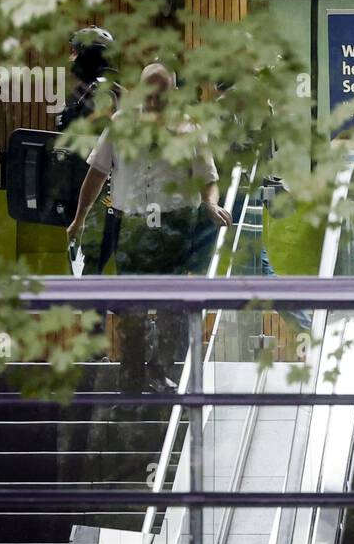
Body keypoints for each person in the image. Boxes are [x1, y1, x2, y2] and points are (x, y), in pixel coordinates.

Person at [65, 63, 231, 391]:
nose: (154, 100)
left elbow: (208, 179)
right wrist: (79, 218)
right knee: (132, 312)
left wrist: (210, 203)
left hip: (175, 225)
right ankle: (131, 385)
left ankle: (162, 374)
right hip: (132, 228)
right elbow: (96, 174)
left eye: (162, 93)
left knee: (173, 309)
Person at [57, 26, 122, 273]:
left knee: (89, 275)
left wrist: (82, 216)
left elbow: (102, 158)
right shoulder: (110, 91)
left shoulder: (101, 94)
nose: (70, 59)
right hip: (98, 198)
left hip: (100, 200)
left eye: (74, 52)